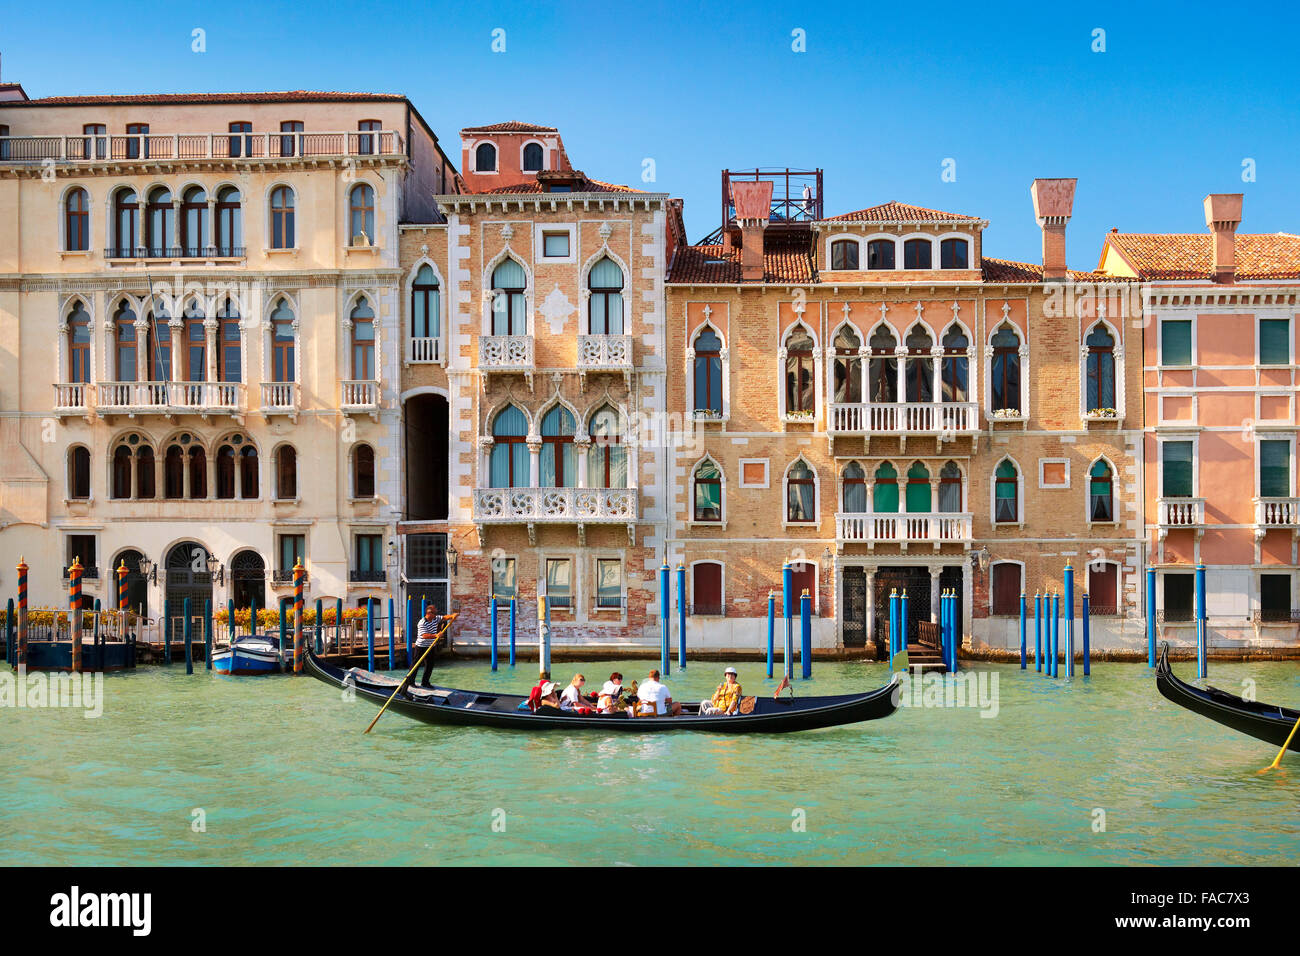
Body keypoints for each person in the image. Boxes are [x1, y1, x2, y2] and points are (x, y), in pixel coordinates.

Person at [411, 604, 443, 688]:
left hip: (431, 646)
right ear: (429, 613)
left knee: (430, 664)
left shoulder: (435, 618)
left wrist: (452, 616)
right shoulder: (422, 623)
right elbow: (424, 635)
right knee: (416, 664)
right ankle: (410, 681)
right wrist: (436, 635)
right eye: (434, 613)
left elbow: (444, 617)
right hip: (421, 646)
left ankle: (425, 682)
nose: (436, 615)